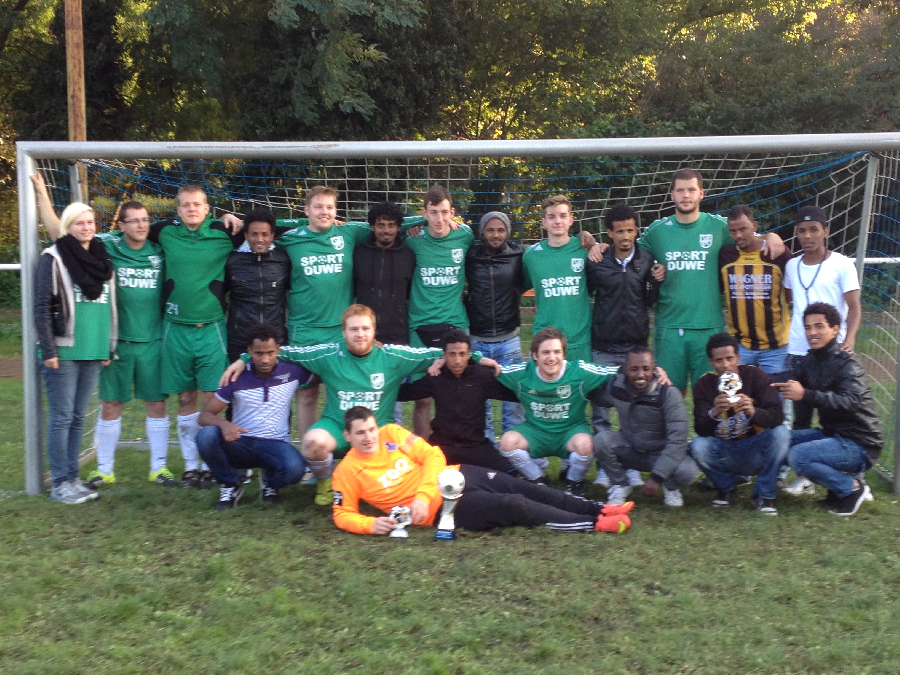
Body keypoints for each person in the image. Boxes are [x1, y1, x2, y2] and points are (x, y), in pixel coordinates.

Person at [218, 304, 500, 505]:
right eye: (354, 329)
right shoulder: (328, 354)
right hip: (339, 427)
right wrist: (244, 359)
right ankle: (325, 482)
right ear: (343, 332)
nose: (360, 334)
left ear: (374, 331)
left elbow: (447, 351)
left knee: (410, 466)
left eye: (365, 328)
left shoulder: (393, 356)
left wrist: (475, 356)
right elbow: (286, 352)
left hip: (381, 431)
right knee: (313, 443)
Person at [31, 174, 175, 489]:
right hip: (115, 344)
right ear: (120, 225)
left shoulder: (161, 250)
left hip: (152, 341)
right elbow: (61, 233)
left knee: (157, 404)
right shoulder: (106, 247)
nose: (141, 225)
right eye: (134, 221)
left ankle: (159, 468)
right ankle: (103, 470)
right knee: (108, 405)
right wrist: (42, 193)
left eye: (145, 220)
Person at [332, 407, 634, 535]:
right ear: (347, 436)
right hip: (443, 510)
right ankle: (593, 524)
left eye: (371, 429)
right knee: (514, 505)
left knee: (526, 488)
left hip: (456, 474)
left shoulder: (390, 433)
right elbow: (342, 514)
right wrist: (370, 525)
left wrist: (422, 493)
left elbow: (432, 454)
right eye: (360, 433)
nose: (369, 437)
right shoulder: (346, 471)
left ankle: (601, 508)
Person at [638, 168, 784, 394]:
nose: (686, 195)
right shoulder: (657, 231)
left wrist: (771, 236)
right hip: (670, 327)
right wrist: (651, 269)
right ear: (672, 194)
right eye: (680, 190)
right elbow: (628, 253)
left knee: (714, 395)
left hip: (709, 326)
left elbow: (747, 236)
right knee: (668, 394)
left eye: (691, 190)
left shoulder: (718, 226)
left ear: (701, 193)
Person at [149, 185, 245, 488]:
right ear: (178, 210)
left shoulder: (224, 233)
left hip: (212, 327)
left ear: (207, 209)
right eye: (185, 205)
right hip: (175, 327)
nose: (191, 209)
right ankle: (191, 466)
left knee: (211, 399)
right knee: (185, 397)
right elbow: (131, 231)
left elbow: (267, 229)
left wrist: (235, 218)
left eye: (197, 204)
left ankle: (210, 464)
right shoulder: (164, 232)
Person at [35, 201, 115, 503]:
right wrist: (49, 349)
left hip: (94, 349)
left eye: (90, 222)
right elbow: (42, 306)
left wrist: (107, 344)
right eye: (79, 223)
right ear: (68, 226)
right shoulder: (54, 257)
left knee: (79, 417)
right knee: (62, 417)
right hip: (64, 350)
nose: (86, 228)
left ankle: (72, 477)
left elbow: (110, 304)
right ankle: (59, 483)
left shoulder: (102, 257)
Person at [772, 303, 883, 516]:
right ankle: (835, 491)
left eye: (819, 326)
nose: (812, 332)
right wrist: (749, 377)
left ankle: (852, 488)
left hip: (861, 443)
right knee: (780, 439)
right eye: (807, 327)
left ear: (835, 329)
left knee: (798, 456)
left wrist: (806, 394)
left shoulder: (848, 363)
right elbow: (787, 378)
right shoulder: (811, 359)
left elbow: (850, 401)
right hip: (833, 435)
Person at [781, 205, 862, 496]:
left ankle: (852, 470)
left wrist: (848, 339)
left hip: (831, 354)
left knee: (838, 414)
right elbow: (789, 299)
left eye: (813, 230)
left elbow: (854, 307)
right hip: (798, 351)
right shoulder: (792, 266)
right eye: (801, 231)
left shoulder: (842, 264)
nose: (807, 236)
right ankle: (803, 476)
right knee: (800, 416)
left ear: (825, 231)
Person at [197, 324, 314, 509]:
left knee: (295, 470)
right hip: (241, 442)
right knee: (206, 436)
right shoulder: (236, 376)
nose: (265, 359)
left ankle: (270, 483)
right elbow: (204, 416)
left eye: (270, 353)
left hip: (276, 444)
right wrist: (224, 424)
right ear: (249, 351)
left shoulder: (293, 371)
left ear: (278, 350)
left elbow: (324, 371)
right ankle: (230, 484)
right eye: (258, 353)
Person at [585, 203, 659, 489]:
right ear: (610, 233)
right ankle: (605, 469)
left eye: (630, 230)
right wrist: (587, 241)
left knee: (636, 413)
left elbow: (650, 299)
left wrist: (657, 280)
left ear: (636, 231)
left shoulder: (647, 259)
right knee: (601, 412)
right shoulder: (597, 260)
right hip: (603, 346)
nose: (625, 236)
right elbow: (586, 292)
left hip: (635, 349)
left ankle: (633, 467)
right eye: (619, 231)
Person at [496, 328, 620, 496]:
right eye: (545, 352)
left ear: (563, 354)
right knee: (507, 442)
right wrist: (479, 358)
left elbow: (613, 372)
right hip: (535, 431)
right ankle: (537, 480)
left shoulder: (579, 372)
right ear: (535, 355)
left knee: (586, 445)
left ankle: (574, 482)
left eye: (557, 352)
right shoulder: (522, 373)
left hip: (570, 431)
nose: (551, 358)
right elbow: (493, 371)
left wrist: (651, 370)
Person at [689, 333, 790, 514]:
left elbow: (777, 415)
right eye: (719, 360)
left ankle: (764, 494)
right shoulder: (704, 384)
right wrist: (714, 413)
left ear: (738, 357)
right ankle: (725, 487)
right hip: (724, 450)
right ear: (711, 362)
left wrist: (753, 411)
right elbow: (700, 429)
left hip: (755, 447)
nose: (725, 365)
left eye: (729, 358)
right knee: (697, 445)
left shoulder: (755, 376)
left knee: (781, 434)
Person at [397, 329, 518, 472]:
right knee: (418, 474)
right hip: (442, 446)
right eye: (452, 354)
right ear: (444, 355)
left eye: (462, 354)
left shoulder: (482, 377)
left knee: (505, 474)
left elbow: (516, 394)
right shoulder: (436, 377)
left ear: (469, 355)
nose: (457, 361)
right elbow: (404, 393)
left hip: (475, 446)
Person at [592, 348, 697, 507]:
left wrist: (656, 478)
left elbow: (678, 441)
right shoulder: (616, 388)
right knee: (601, 440)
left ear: (655, 369)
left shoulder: (669, 394)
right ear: (625, 370)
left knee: (688, 471)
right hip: (631, 449)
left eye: (646, 369)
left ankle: (670, 486)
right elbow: (597, 397)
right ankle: (620, 484)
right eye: (634, 369)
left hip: (660, 453)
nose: (640, 375)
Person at [352, 201, 417, 424]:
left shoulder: (409, 255)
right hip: (364, 339)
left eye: (391, 225)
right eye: (381, 225)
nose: (386, 230)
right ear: (372, 227)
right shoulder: (358, 254)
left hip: (396, 338)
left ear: (398, 227)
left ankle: (391, 442)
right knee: (363, 402)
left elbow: (411, 294)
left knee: (392, 403)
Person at [465, 211, 527, 438]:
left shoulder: (520, 254)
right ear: (482, 232)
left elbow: (552, 247)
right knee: (481, 405)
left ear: (508, 232)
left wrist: (582, 237)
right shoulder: (470, 255)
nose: (495, 235)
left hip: (509, 340)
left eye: (501, 230)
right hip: (477, 341)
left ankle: (512, 453)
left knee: (513, 404)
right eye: (490, 230)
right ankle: (488, 451)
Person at [719, 204, 793, 373]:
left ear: (754, 226)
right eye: (733, 231)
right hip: (739, 346)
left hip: (776, 347)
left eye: (743, 229)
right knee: (736, 390)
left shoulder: (777, 253)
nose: (738, 235)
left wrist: (771, 236)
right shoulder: (725, 256)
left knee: (775, 390)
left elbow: (790, 294)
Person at [522, 195, 593, 363]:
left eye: (562, 216)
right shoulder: (531, 255)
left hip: (579, 340)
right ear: (544, 222)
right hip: (544, 341)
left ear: (571, 220)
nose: (557, 221)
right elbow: (521, 285)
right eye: (551, 216)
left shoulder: (586, 250)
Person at [224, 208, 291, 362]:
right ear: (246, 235)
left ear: (272, 235)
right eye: (254, 234)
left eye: (265, 234)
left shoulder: (284, 260)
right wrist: (225, 216)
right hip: (239, 340)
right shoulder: (232, 261)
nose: (259, 239)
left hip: (276, 339)